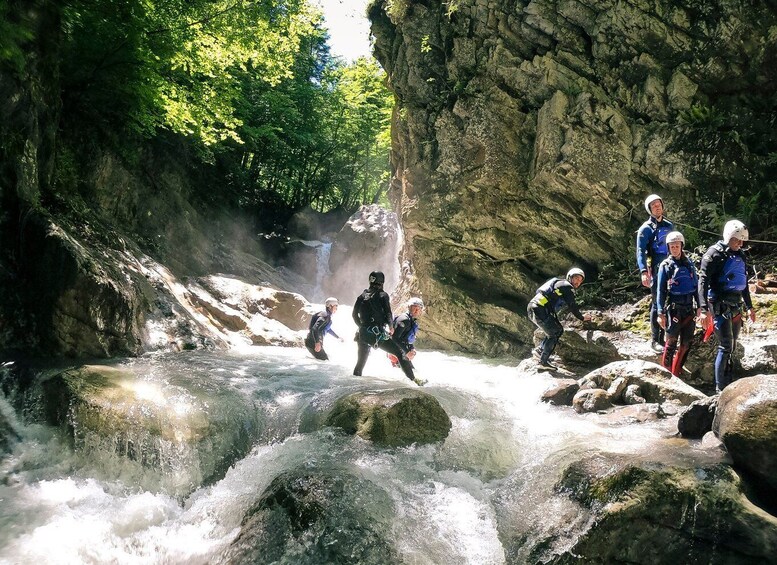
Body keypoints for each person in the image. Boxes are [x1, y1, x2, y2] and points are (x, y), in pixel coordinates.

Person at [698, 220, 756, 392]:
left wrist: (750, 307)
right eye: (737, 240)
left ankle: (729, 382)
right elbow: (703, 282)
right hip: (719, 304)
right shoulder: (714, 254)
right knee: (725, 345)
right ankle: (719, 389)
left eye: (742, 241)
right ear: (729, 236)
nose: (740, 243)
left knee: (733, 344)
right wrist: (703, 310)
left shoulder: (741, 255)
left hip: (736, 304)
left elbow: (743, 283)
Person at [352, 271, 423, 385]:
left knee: (360, 364)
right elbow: (388, 313)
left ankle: (353, 384)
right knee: (400, 353)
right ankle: (415, 381)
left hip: (361, 334)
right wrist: (391, 326)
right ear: (382, 281)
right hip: (376, 334)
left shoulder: (361, 296)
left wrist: (362, 327)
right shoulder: (383, 295)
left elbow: (354, 315)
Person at [527, 267, 592, 370]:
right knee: (555, 332)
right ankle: (543, 362)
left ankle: (540, 351)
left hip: (533, 307)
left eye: (580, 280)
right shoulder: (566, 286)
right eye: (576, 278)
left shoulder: (560, 285)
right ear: (570, 277)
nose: (578, 282)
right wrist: (582, 317)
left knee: (557, 330)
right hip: (539, 308)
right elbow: (572, 306)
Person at [655, 231, 699, 377]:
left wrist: (701, 307)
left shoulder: (689, 264)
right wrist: (660, 313)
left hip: (688, 309)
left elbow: (696, 287)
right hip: (674, 309)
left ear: (681, 246)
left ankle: (677, 371)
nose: (674, 248)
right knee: (671, 342)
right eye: (672, 246)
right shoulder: (665, 266)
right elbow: (660, 290)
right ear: (668, 248)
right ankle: (667, 374)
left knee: (687, 343)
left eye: (677, 246)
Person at [636, 194, 674, 352]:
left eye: (659, 205)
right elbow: (640, 251)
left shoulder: (669, 225)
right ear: (649, 209)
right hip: (656, 266)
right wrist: (644, 270)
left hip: (670, 265)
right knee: (657, 301)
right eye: (654, 206)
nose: (658, 207)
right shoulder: (646, 228)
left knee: (670, 300)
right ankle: (655, 340)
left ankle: (667, 337)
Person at [388, 297, 425, 369]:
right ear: (409, 307)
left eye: (419, 308)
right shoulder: (405, 319)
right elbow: (394, 337)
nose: (416, 310)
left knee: (411, 375)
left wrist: (412, 348)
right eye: (414, 307)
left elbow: (405, 337)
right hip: (396, 352)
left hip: (402, 350)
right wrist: (407, 352)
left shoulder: (411, 320)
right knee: (412, 376)